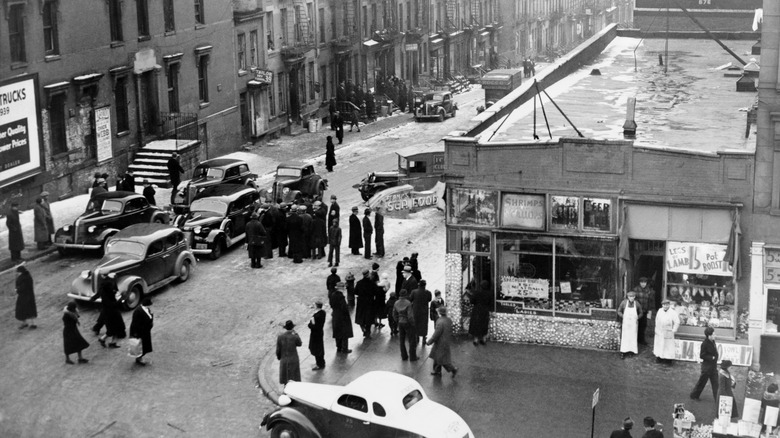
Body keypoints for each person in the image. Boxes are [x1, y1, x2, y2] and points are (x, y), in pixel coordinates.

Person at [90, 274, 126, 349]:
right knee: (117, 327)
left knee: (113, 328)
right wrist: (121, 299)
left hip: (108, 311)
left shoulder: (104, 290)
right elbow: (112, 304)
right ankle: (107, 341)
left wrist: (93, 298)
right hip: (112, 312)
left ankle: (106, 340)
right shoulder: (109, 292)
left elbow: (98, 295)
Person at [690, 326, 719, 401]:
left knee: (716, 383)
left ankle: (718, 399)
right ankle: (694, 395)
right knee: (702, 383)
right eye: (713, 334)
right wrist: (711, 357)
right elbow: (702, 355)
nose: (715, 335)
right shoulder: (705, 344)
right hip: (707, 368)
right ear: (709, 335)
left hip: (713, 367)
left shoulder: (712, 341)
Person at [427, 307, 458, 377]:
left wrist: (429, 341)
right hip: (446, 341)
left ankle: (453, 369)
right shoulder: (449, 320)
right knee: (437, 357)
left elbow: (436, 334)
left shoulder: (440, 321)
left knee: (441, 359)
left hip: (440, 342)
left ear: (439, 312)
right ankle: (437, 371)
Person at [393, 289, 418, 361]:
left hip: (400, 322)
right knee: (412, 340)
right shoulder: (408, 303)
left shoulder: (396, 303)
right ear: (406, 294)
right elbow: (410, 316)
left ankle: (404, 356)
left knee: (402, 340)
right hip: (408, 322)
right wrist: (413, 324)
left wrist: (397, 320)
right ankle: (413, 357)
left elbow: (394, 314)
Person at [617, 291, 643, 359]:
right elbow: (619, 311)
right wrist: (623, 316)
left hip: (633, 324)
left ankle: (631, 351)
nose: (631, 298)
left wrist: (638, 317)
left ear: (634, 297)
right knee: (625, 337)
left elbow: (641, 312)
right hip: (626, 324)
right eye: (630, 297)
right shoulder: (624, 302)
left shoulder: (637, 303)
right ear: (628, 297)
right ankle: (623, 352)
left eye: (633, 296)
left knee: (632, 337)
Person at [653, 299, 679, 364]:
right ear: (662, 305)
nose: (665, 306)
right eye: (664, 305)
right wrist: (656, 329)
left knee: (668, 346)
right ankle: (659, 357)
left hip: (668, 331)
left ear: (669, 305)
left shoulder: (672, 312)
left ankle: (668, 360)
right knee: (659, 344)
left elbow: (677, 321)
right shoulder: (659, 311)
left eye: (667, 305)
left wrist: (674, 330)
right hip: (660, 331)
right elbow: (657, 320)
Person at [129, 298, 154, 366]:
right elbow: (135, 323)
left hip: (145, 331)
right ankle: (139, 358)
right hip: (140, 332)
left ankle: (140, 357)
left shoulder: (146, 309)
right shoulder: (138, 311)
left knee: (144, 345)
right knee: (140, 346)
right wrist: (136, 333)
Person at [276, 320, 302, 385]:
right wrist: (296, 333)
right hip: (293, 359)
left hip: (284, 359)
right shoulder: (294, 336)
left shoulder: (280, 337)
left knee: (286, 378)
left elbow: (278, 350)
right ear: (292, 327)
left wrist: (279, 357)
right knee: (294, 378)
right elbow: (299, 343)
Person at [329, 286, 353, 354]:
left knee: (337, 332)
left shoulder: (333, 295)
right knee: (344, 333)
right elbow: (344, 307)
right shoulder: (341, 296)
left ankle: (338, 347)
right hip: (342, 317)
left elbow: (331, 304)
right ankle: (344, 348)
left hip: (335, 315)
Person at [468, 280, 492, 345]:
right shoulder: (489, 293)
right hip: (485, 310)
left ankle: (476, 340)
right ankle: (483, 339)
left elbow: (472, 301)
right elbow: (490, 303)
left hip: (477, 310)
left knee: (476, 324)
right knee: (484, 324)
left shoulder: (477, 292)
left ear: (481, 286)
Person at [633, 277, 655, 345]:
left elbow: (650, 300)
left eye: (644, 282)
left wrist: (649, 309)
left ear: (646, 283)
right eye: (642, 282)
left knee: (643, 326)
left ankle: (641, 340)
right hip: (637, 311)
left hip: (645, 311)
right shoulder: (635, 289)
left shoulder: (648, 290)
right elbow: (633, 300)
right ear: (640, 283)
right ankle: (635, 340)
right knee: (636, 325)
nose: (643, 284)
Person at [355, 269, 376, 338]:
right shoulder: (371, 283)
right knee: (368, 319)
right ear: (368, 274)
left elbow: (355, 292)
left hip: (361, 302)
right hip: (369, 302)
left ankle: (363, 328)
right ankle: (367, 332)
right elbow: (375, 291)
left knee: (361, 317)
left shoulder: (359, 283)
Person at [15, 265, 37, 329]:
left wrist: (17, 289)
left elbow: (23, 287)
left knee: (26, 309)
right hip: (27, 296)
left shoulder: (23, 278)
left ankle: (31, 324)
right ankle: (27, 323)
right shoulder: (27, 276)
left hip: (25, 296)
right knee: (25, 310)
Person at [411, 280, 432, 345]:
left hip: (416, 310)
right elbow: (429, 299)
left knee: (416, 323)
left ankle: (417, 337)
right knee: (424, 324)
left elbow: (410, 299)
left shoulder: (414, 292)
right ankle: (423, 338)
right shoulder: (428, 292)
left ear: (418, 285)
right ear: (425, 285)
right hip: (424, 311)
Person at [309, 300, 326, 370]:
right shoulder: (323, 313)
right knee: (320, 348)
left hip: (315, 334)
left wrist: (311, 324)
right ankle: (321, 362)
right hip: (320, 332)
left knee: (316, 349)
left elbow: (313, 326)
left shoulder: (316, 316)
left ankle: (319, 364)